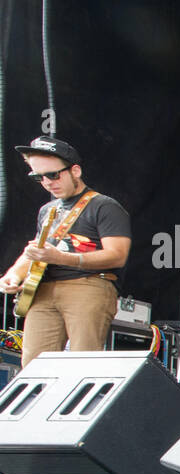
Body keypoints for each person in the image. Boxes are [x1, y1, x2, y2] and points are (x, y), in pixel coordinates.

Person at [1, 137, 130, 369]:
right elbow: (35, 250)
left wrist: (61, 258)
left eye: (53, 175)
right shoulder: (47, 210)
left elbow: (117, 255)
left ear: (75, 171)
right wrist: (13, 275)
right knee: (33, 367)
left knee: (80, 365)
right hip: (42, 291)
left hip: (87, 286)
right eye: (38, 177)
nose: (48, 182)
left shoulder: (104, 206)